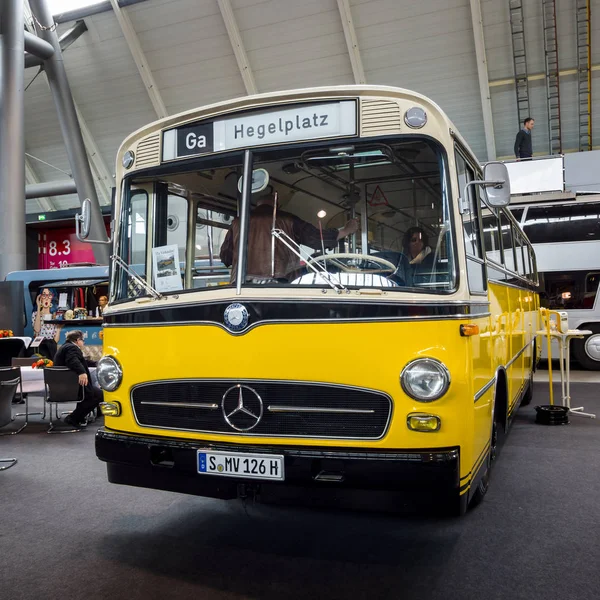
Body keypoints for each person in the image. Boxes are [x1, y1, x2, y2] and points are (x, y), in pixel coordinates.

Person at [219, 193, 358, 282]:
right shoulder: (287, 219)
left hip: (241, 284)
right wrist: (346, 230)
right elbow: (316, 239)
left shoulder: (237, 223)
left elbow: (225, 256)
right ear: (277, 205)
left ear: (257, 205)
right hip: (280, 282)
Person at [53, 329, 103, 428]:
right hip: (71, 387)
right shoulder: (72, 348)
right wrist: (81, 372)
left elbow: (79, 360)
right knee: (99, 395)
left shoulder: (66, 346)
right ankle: (74, 418)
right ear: (77, 340)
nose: (83, 342)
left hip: (63, 385)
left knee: (93, 393)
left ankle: (79, 417)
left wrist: (95, 363)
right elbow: (72, 360)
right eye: (82, 340)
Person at [32, 288, 62, 359]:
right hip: (40, 347)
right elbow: (37, 330)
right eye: (44, 295)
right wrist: (39, 307)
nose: (46, 298)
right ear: (40, 297)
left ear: (52, 298)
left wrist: (59, 329)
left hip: (51, 348)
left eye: (49, 295)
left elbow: (56, 340)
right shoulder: (35, 314)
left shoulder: (55, 316)